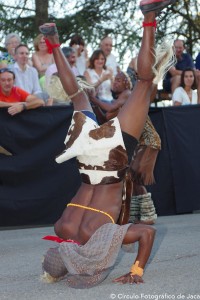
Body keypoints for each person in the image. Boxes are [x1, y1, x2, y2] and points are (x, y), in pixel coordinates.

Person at [39, 0, 175, 288]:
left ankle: (149, 17)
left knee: (143, 83)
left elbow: (145, 234)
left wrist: (136, 270)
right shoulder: (61, 227)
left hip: (110, 162)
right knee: (77, 96)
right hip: (85, 158)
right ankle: (53, 42)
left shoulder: (94, 238)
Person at [89, 71, 159, 225]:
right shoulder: (118, 103)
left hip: (147, 141)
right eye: (115, 80)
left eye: (120, 80)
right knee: (131, 177)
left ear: (127, 84)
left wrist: (93, 97)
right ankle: (136, 214)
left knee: (134, 176)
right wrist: (93, 103)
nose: (116, 82)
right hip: (137, 142)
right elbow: (105, 118)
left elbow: (110, 107)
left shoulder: (128, 95)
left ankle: (148, 215)